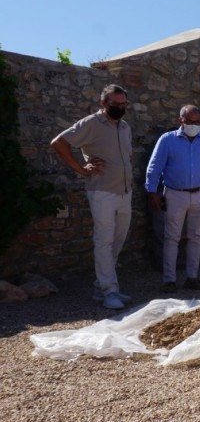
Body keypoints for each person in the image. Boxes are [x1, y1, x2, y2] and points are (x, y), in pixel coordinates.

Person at [50, 84, 134, 310]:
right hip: (102, 191)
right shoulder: (91, 123)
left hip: (125, 191)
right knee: (104, 241)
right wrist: (81, 169)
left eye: (123, 104)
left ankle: (101, 287)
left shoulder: (125, 127)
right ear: (103, 103)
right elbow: (59, 143)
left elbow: (127, 154)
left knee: (117, 240)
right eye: (115, 104)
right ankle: (110, 291)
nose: (119, 108)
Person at [145, 105, 200, 292]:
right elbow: (154, 167)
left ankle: (192, 278)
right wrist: (152, 192)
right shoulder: (167, 140)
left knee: (196, 237)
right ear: (181, 121)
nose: (194, 125)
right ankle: (169, 280)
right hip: (175, 193)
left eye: (197, 122)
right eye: (190, 122)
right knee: (172, 237)